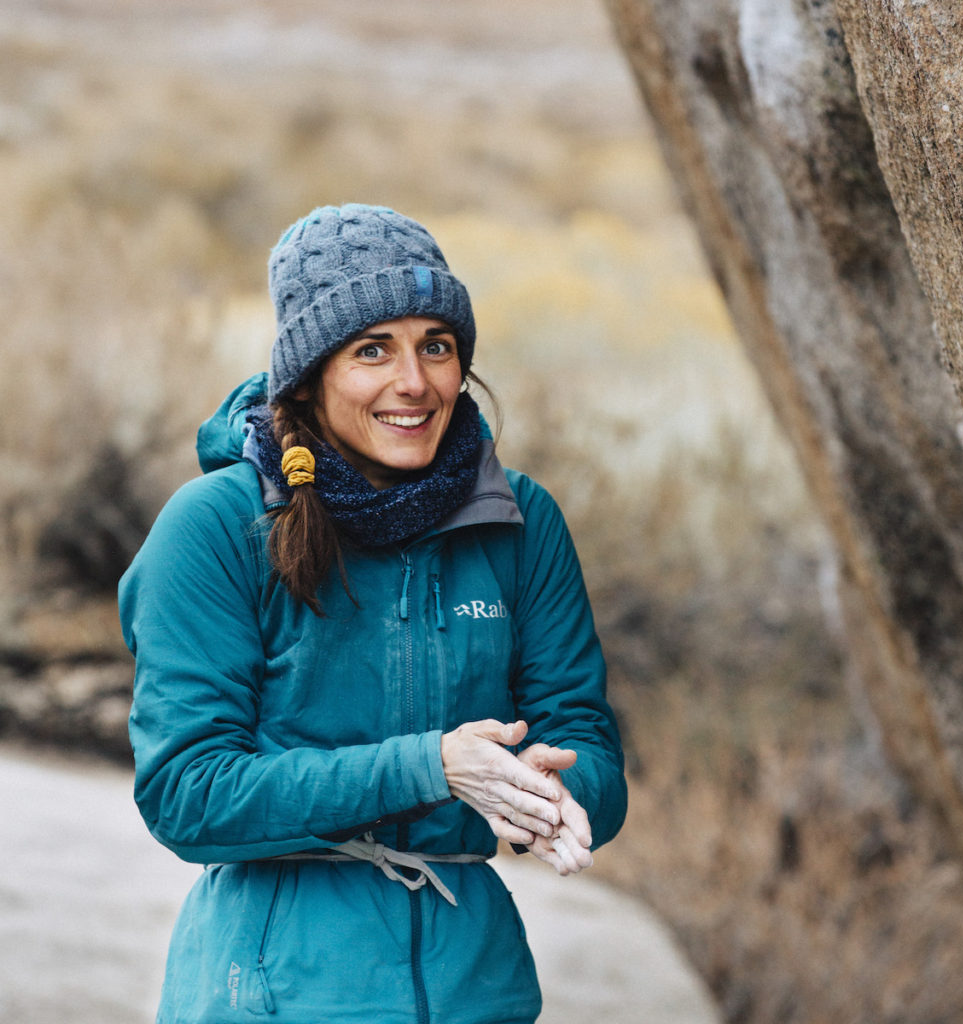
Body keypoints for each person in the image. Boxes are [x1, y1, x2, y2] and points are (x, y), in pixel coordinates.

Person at [120, 203, 627, 1024]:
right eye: (371, 351)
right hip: (276, 994)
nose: (414, 382)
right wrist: (432, 765)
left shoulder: (520, 521)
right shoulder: (212, 527)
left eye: (437, 344)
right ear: (310, 371)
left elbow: (584, 738)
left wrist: (562, 796)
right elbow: (188, 794)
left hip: (479, 991)